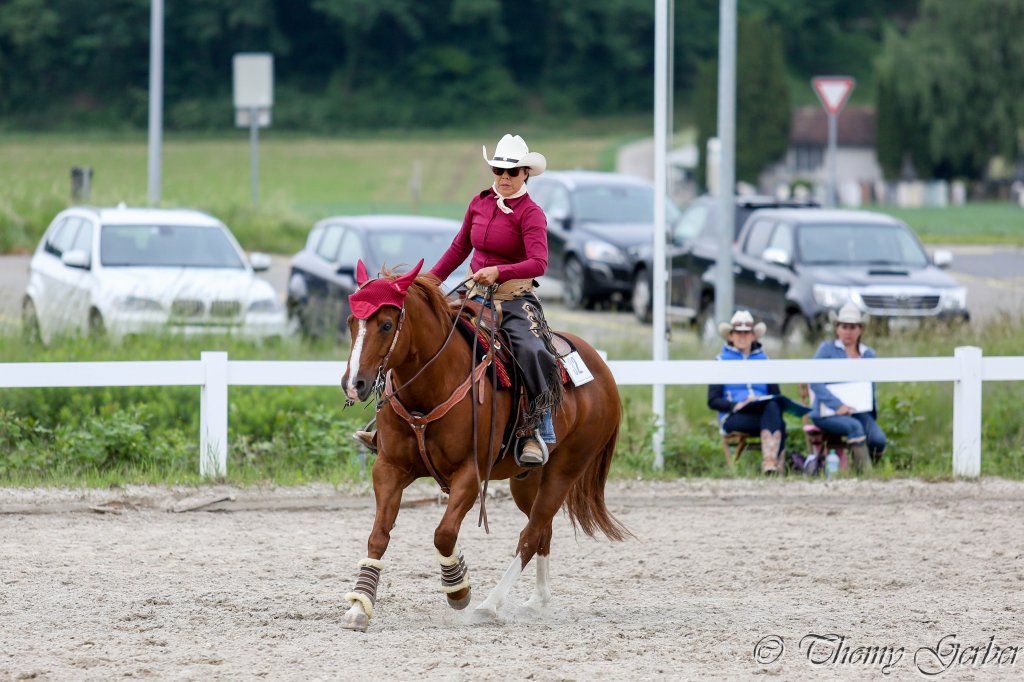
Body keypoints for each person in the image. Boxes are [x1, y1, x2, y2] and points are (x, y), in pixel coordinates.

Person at [356, 134, 559, 467]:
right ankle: (388, 424)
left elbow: (539, 262)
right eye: (498, 171)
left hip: (514, 299)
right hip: (474, 295)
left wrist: (499, 271)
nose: (504, 178)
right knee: (422, 338)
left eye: (512, 172)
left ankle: (535, 429)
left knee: (532, 349)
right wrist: (426, 285)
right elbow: (458, 249)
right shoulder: (478, 203)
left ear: (526, 174)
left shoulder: (532, 214)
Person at [707, 311, 788, 474]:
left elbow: (775, 394)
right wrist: (737, 404)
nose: (742, 336)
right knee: (777, 421)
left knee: (772, 406)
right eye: (738, 332)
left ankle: (770, 464)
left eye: (746, 332)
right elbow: (713, 400)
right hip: (734, 415)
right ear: (730, 336)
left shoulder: (764, 360)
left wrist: (759, 399)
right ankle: (773, 464)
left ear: (753, 336)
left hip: (761, 411)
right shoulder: (721, 361)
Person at [809, 302, 887, 472]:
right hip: (827, 411)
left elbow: (870, 386)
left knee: (878, 439)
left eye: (852, 327)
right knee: (855, 427)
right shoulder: (827, 350)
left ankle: (870, 467)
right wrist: (837, 405)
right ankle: (864, 474)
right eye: (844, 327)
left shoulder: (868, 354)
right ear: (837, 328)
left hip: (859, 411)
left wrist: (871, 413)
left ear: (860, 329)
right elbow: (814, 381)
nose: (848, 332)